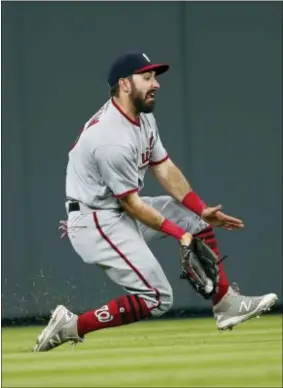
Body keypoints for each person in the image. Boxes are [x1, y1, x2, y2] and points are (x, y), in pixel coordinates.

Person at [33, 53, 277, 352]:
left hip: (114, 212)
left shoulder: (143, 117)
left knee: (194, 218)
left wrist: (200, 209)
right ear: (124, 84)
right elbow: (132, 206)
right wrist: (180, 235)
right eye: (146, 77)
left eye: (155, 77)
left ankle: (226, 305)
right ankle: (70, 326)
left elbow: (163, 166)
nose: (156, 84)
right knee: (158, 298)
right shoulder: (111, 138)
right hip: (95, 222)